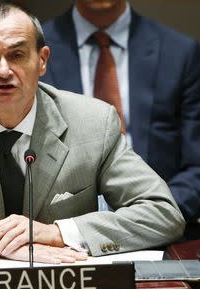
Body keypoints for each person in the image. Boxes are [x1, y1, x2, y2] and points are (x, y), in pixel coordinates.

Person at [0, 1, 185, 263]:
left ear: (41, 60)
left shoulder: (93, 122)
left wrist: (57, 233)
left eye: (16, 55)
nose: (3, 71)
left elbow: (162, 213)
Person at [40, 0, 200, 239]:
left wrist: (151, 214)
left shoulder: (179, 52)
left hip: (160, 233)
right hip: (56, 233)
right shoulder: (27, 52)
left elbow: (196, 166)